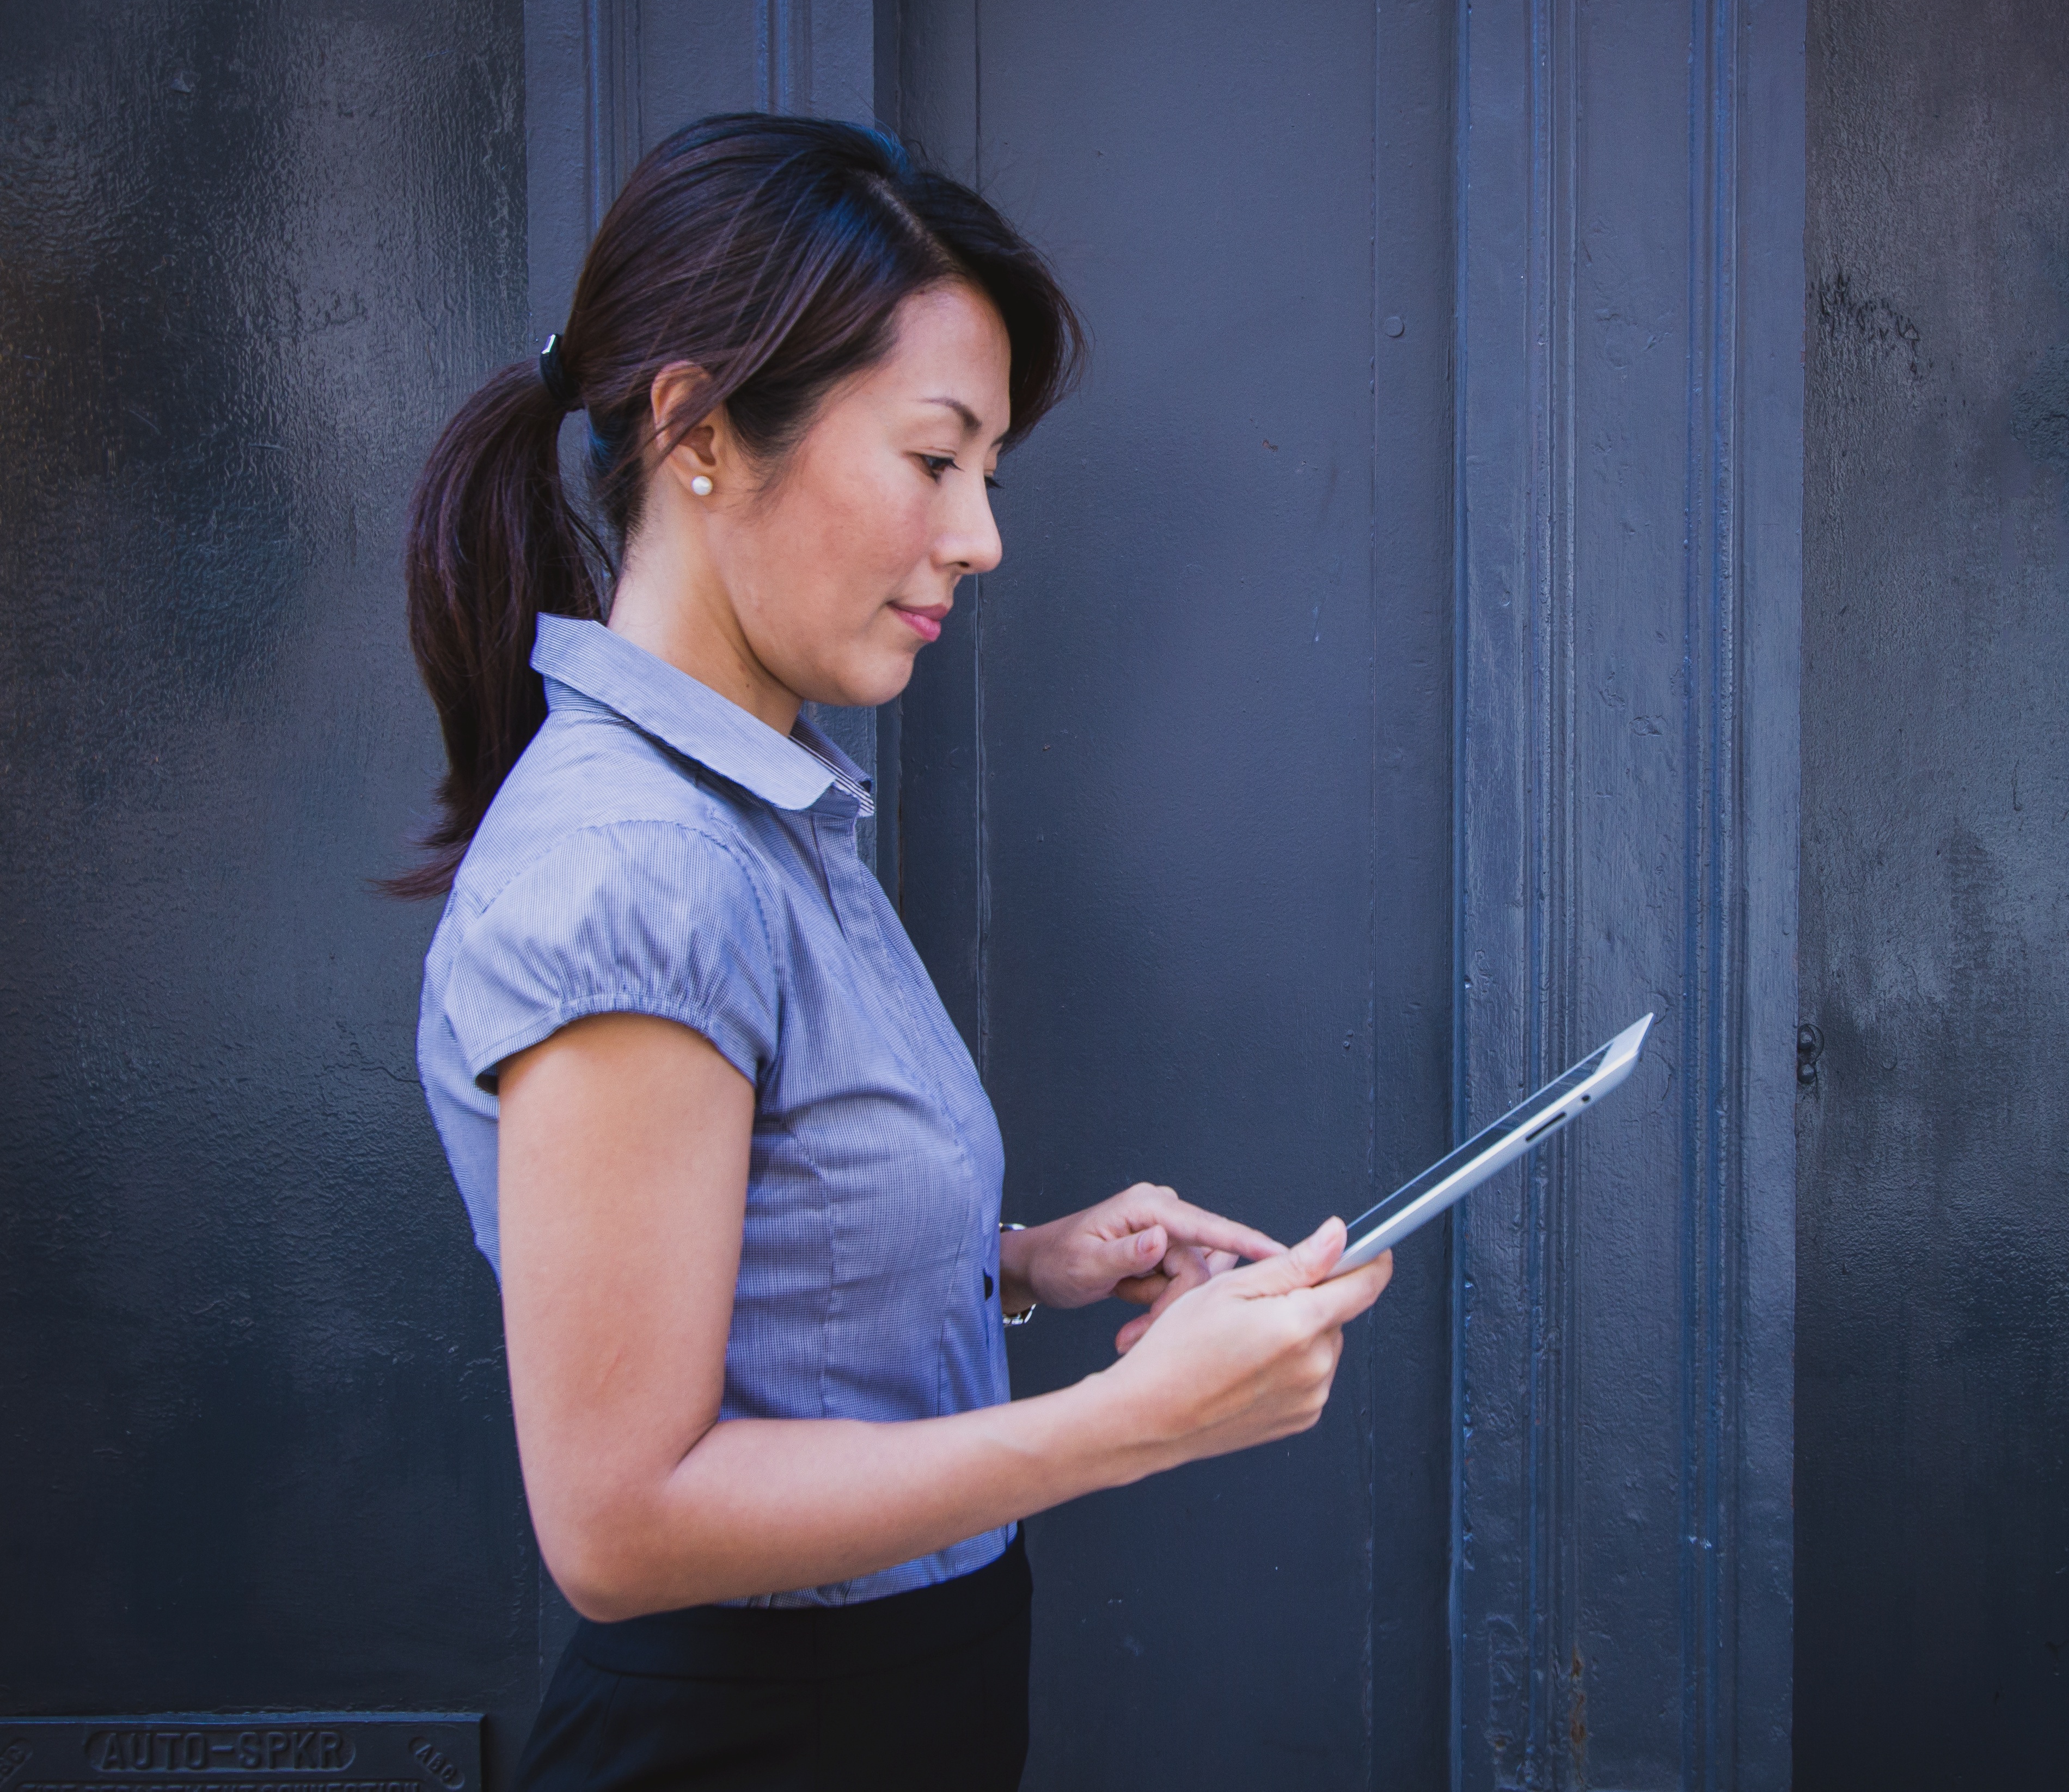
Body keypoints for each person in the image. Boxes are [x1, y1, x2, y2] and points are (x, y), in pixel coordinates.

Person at [396, 114, 1392, 1789]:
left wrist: (1013, 1261)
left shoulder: (752, 813)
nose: (981, 535)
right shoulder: (640, 864)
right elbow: (622, 1524)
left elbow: (739, 1256)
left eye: (986, 476)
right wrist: (1129, 1426)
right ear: (697, 428)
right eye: (936, 460)